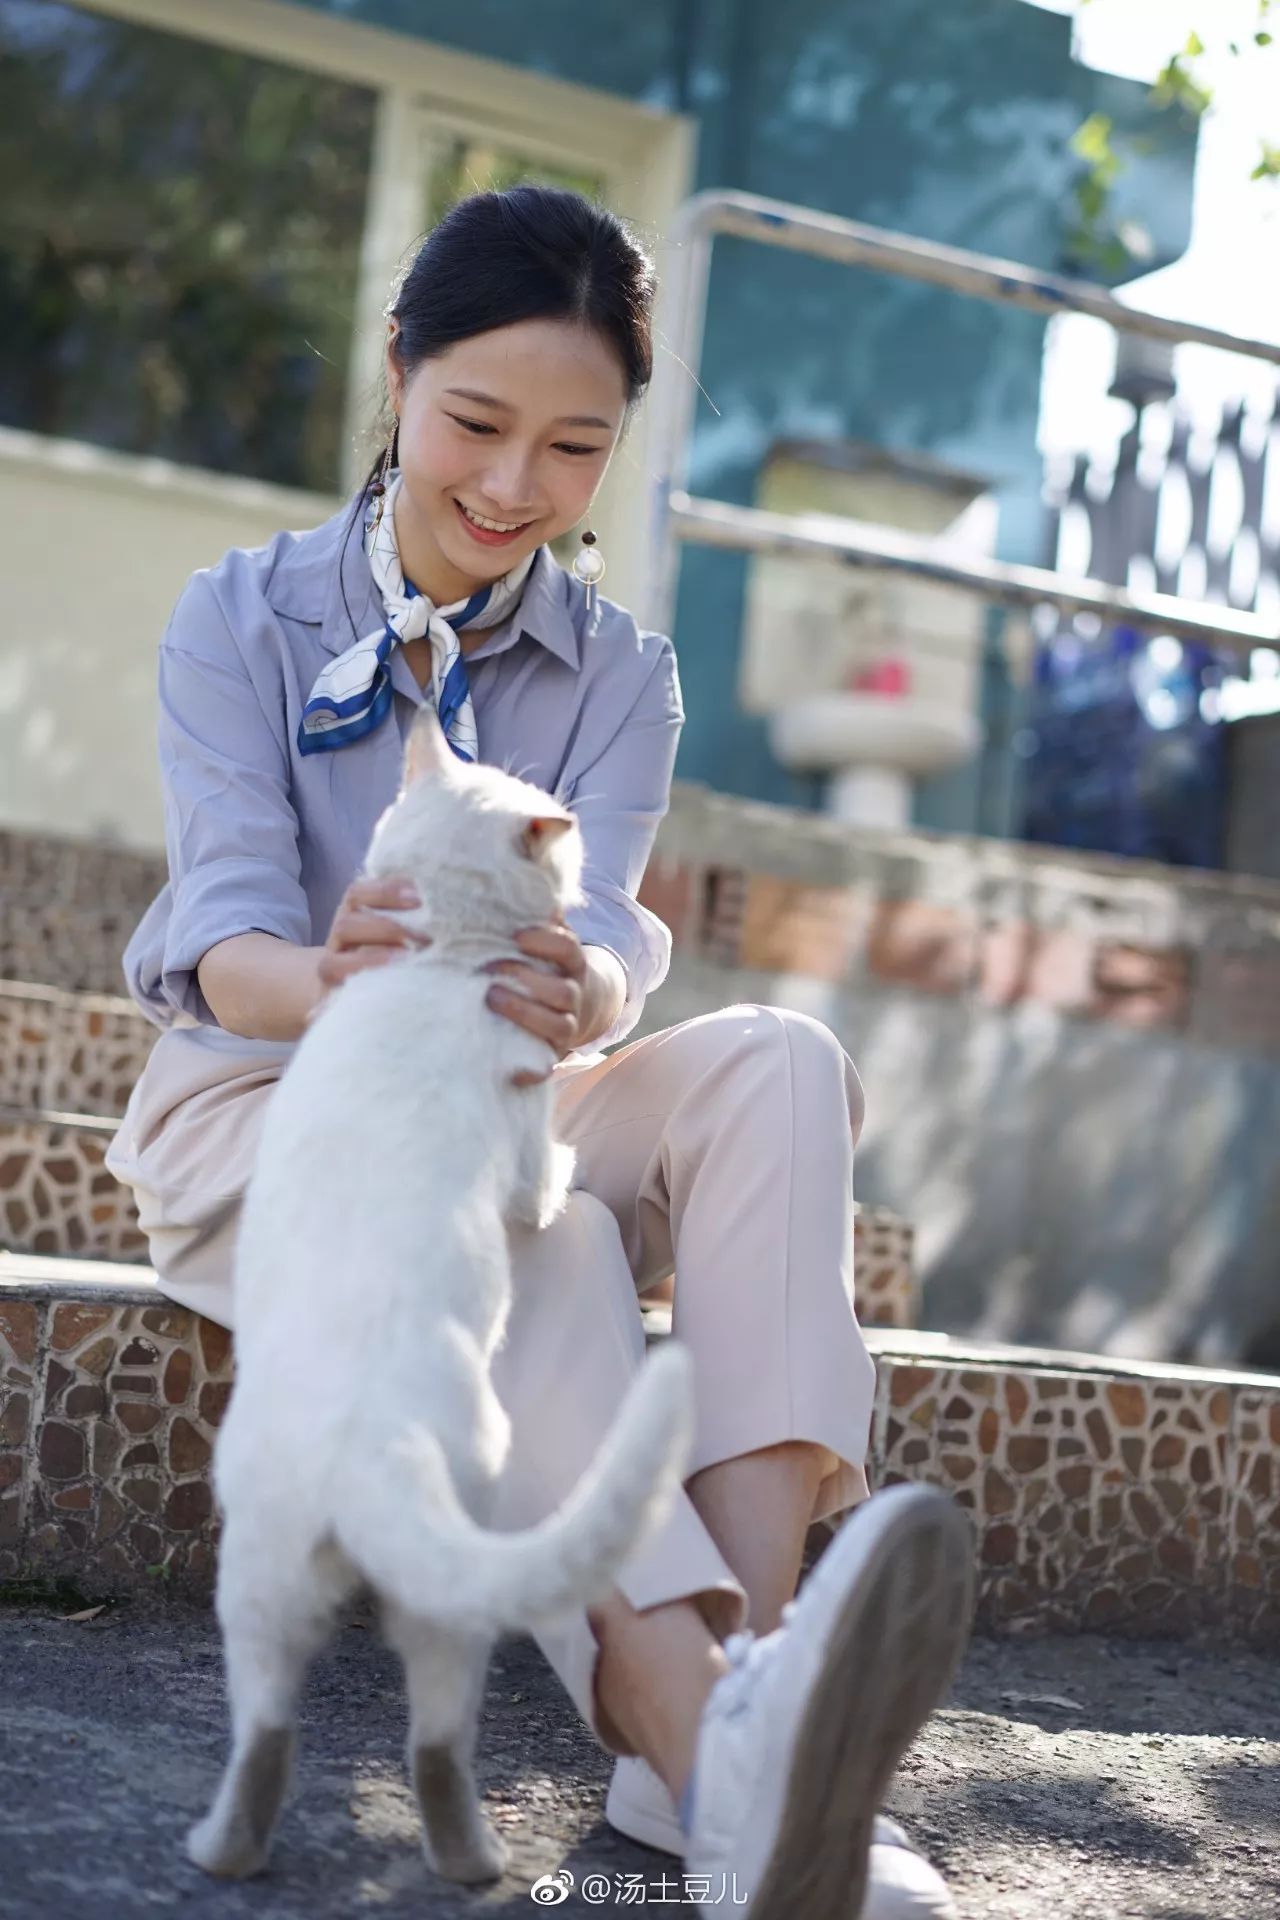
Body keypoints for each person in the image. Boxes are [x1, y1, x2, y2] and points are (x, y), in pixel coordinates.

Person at [106, 186, 971, 1918]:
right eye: (477, 426)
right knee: (539, 1228)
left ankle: (728, 1735)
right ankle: (719, 1755)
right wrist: (330, 973)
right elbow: (219, 940)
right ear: (399, 371)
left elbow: (617, 934)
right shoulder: (239, 618)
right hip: (277, 1102)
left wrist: (594, 992)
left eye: (573, 449)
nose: (512, 489)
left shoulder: (623, 675)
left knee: (783, 1064)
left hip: (504, 1082)